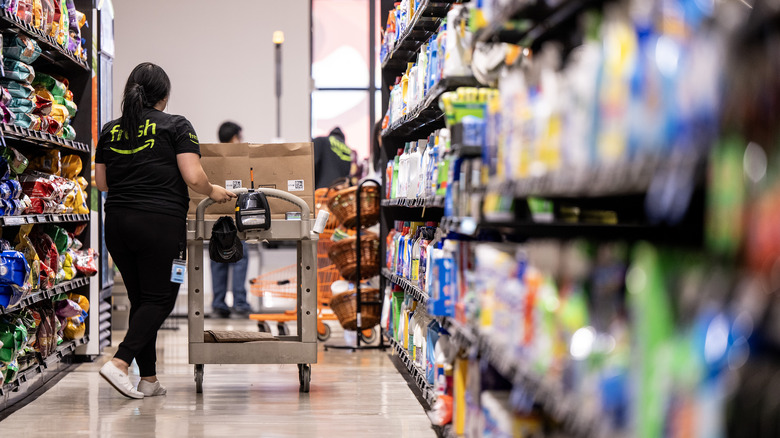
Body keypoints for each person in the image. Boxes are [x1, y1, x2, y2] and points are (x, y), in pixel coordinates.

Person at [95, 63, 236, 399]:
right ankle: (119, 363)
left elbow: (101, 183)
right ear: (164, 96)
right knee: (161, 299)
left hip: (117, 224)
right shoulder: (176, 125)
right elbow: (192, 175)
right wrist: (214, 191)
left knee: (142, 300)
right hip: (159, 224)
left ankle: (149, 380)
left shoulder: (110, 130)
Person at [210, 121, 253, 318]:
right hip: (238, 215)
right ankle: (240, 304)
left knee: (218, 258)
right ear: (235, 138)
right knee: (240, 258)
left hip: (216, 217)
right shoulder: (241, 159)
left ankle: (219, 304)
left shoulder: (213, 159)